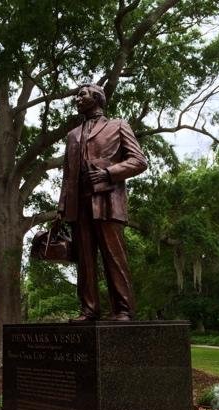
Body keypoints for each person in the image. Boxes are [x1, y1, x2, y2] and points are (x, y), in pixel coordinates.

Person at [57, 83, 147, 321]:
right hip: (79, 204)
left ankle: (124, 309)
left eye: (82, 94)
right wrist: (61, 207)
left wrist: (109, 173)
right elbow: (67, 175)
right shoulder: (72, 135)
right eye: (76, 95)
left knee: (114, 258)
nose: (77, 98)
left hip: (107, 200)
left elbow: (138, 161)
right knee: (85, 260)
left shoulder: (117, 125)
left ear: (96, 97)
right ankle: (89, 309)